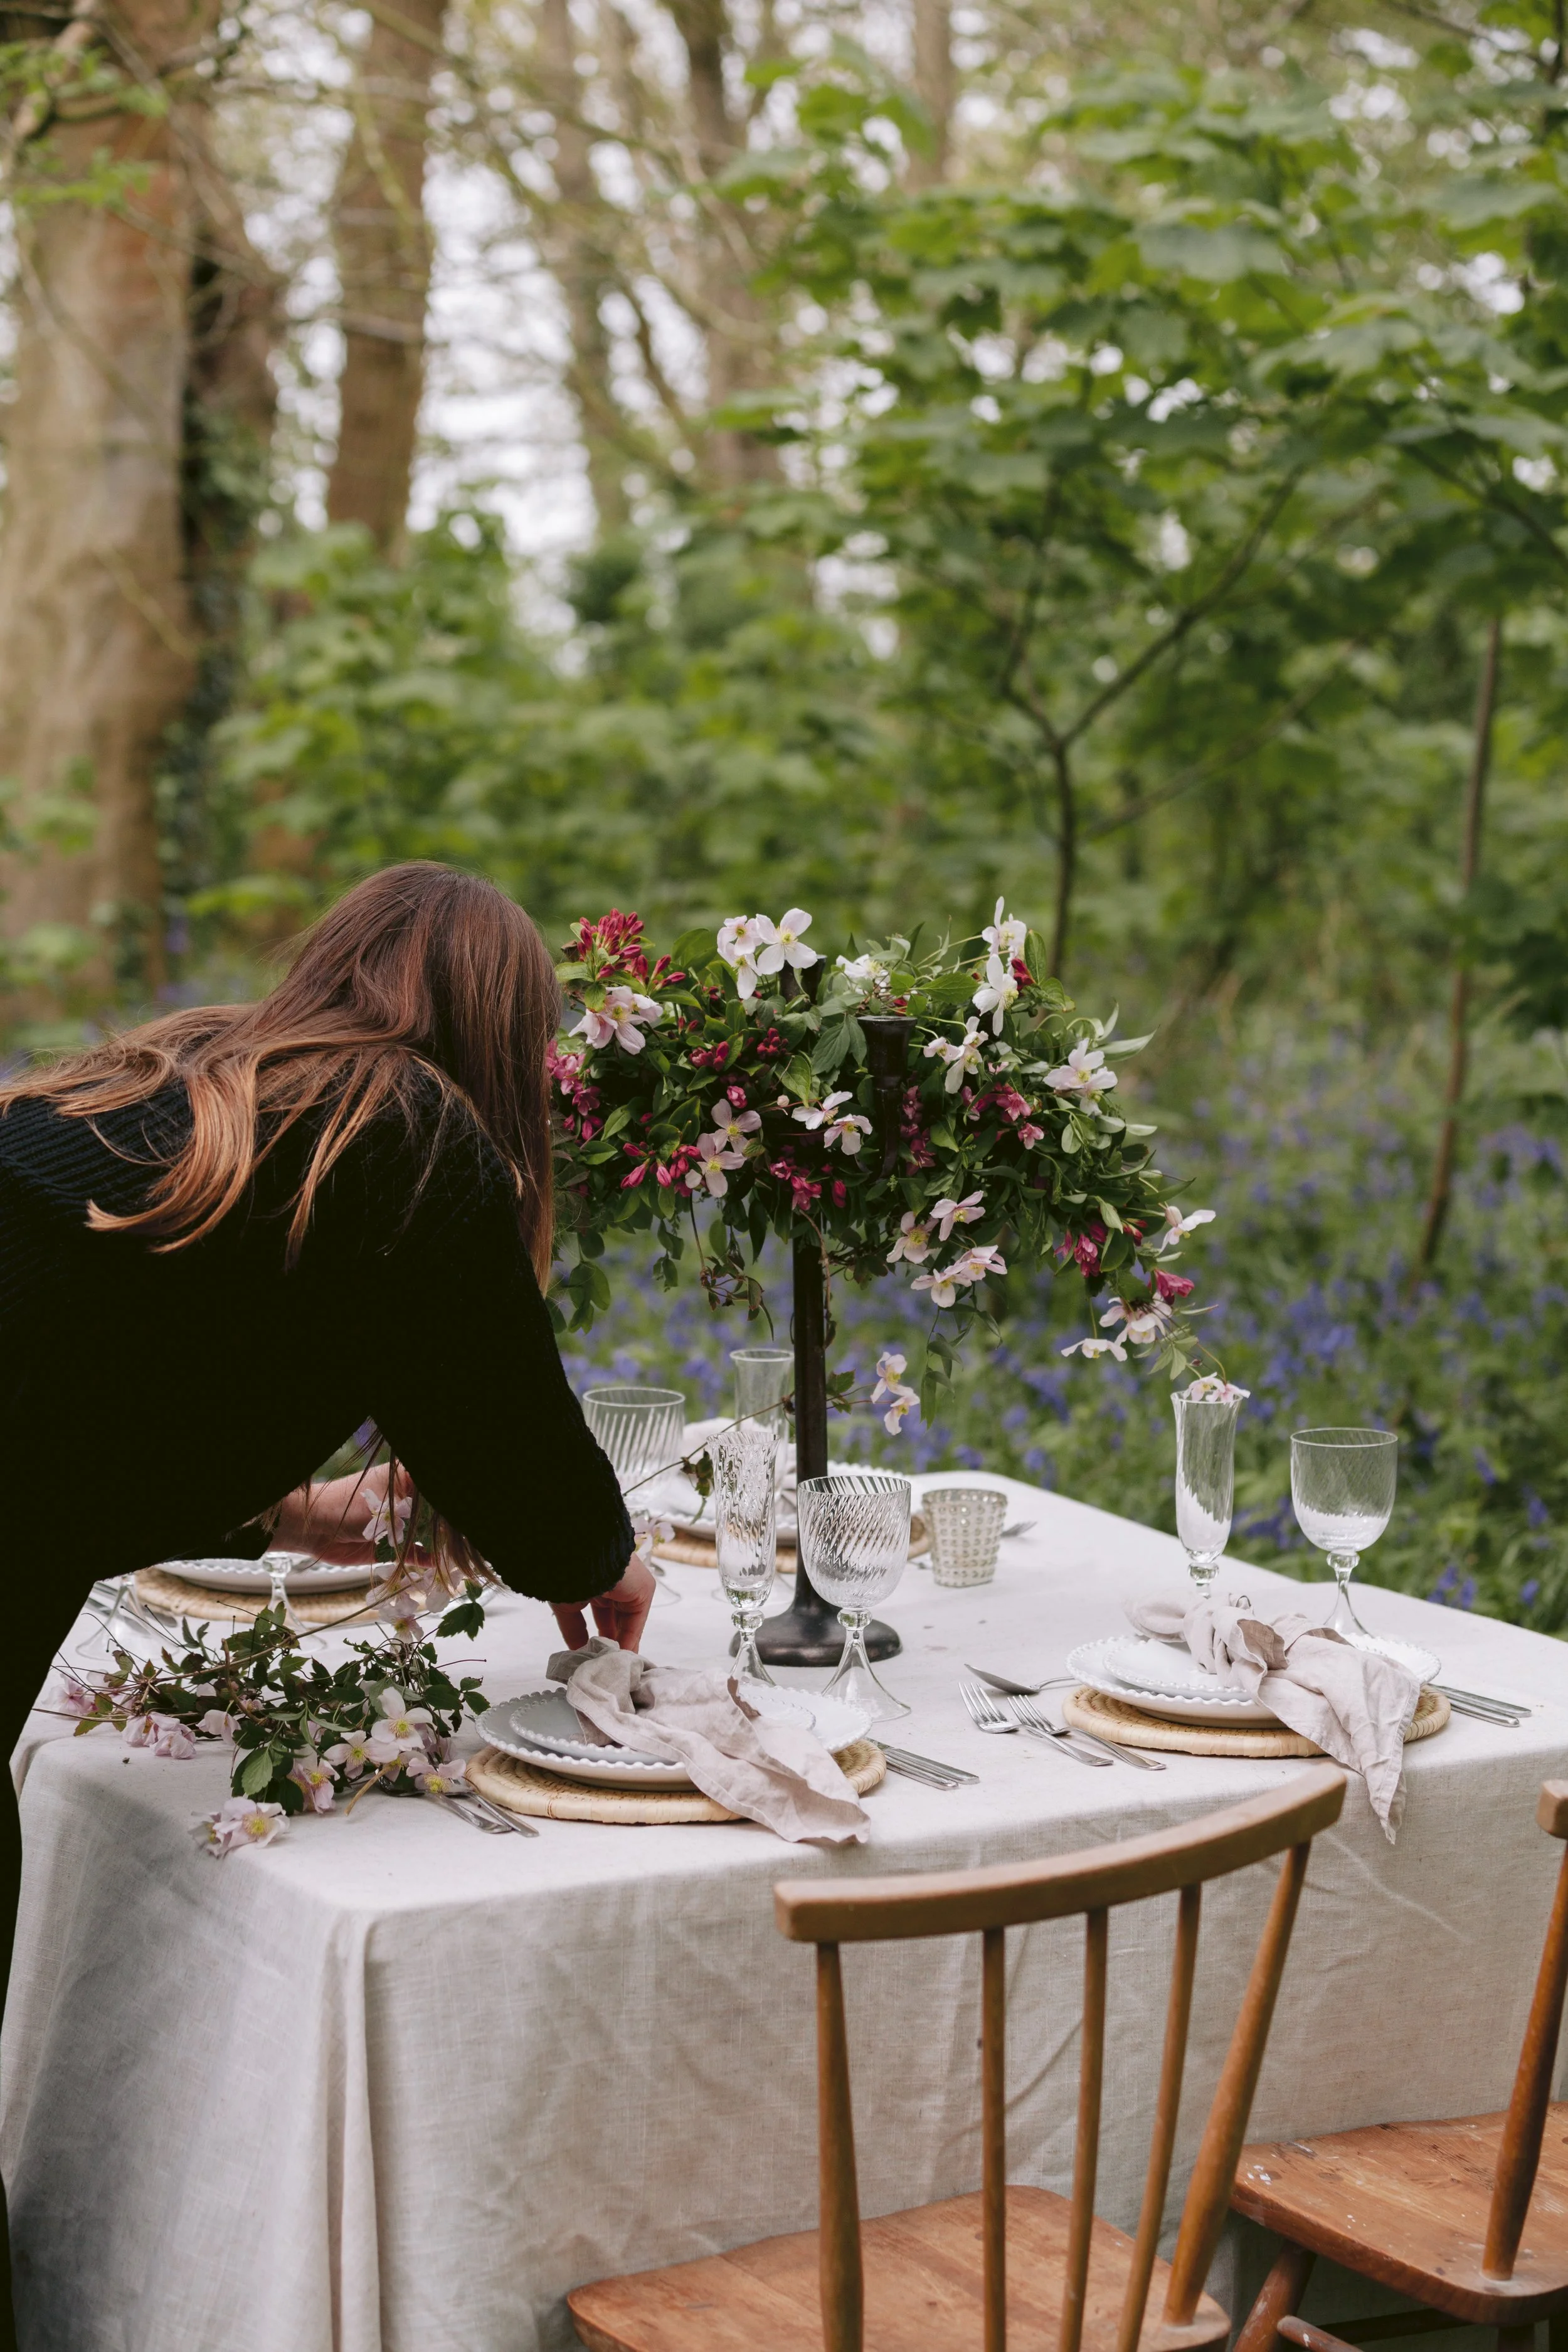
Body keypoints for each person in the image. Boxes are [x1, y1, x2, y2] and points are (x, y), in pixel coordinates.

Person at [0, 863, 654, 2341]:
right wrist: (603, 1560)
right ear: (504, 1037)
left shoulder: (178, 1076)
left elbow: (82, 1373)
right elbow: (541, 1497)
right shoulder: (404, 1130)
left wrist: (282, 1513)